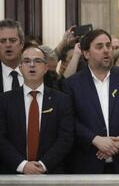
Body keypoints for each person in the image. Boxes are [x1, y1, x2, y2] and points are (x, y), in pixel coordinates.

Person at [63, 29, 119, 174]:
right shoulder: (72, 84)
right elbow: (69, 120)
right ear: (86, 53)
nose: (106, 50)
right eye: (99, 46)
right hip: (88, 163)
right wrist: (95, 139)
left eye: (108, 46)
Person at [0, 46, 74, 174]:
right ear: (20, 67)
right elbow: (1, 138)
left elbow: (65, 138)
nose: (32, 65)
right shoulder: (4, 101)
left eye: (37, 61)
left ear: (46, 68)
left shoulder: (62, 101)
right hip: (13, 173)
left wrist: (43, 165)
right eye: (27, 61)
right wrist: (23, 166)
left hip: (50, 172)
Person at [0, 19, 24, 92]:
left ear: (22, 44)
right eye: (3, 41)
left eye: (13, 40)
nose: (8, 45)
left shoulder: (35, 71)